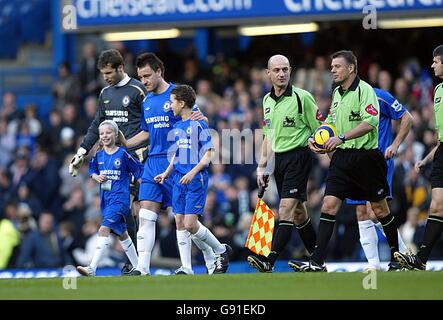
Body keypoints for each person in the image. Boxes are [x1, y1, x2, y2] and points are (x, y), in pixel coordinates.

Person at [289, 50, 400, 272]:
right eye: (332, 67)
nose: (332, 70)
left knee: (379, 209)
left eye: (337, 67)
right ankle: (317, 262)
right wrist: (318, 136)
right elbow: (331, 119)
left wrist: (340, 138)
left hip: (367, 158)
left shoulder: (365, 90)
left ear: (351, 68)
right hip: (342, 159)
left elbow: (370, 123)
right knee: (328, 205)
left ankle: (397, 257)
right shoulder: (337, 93)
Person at [119, 53, 214, 276]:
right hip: (152, 162)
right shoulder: (147, 101)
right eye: (140, 77)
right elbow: (146, 132)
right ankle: (142, 267)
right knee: (146, 214)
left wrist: (204, 121)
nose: (144, 81)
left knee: (183, 220)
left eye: (147, 75)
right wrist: (124, 142)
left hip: (176, 162)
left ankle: (211, 254)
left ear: (159, 71)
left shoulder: (178, 95)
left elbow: (201, 120)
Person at [68, 49, 147, 273]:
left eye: (109, 72)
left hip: (135, 155)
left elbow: (148, 124)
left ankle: (137, 262)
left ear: (121, 68)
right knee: (125, 213)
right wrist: (82, 151)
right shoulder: (104, 93)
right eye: (103, 73)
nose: (106, 77)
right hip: (111, 159)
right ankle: (137, 263)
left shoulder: (137, 90)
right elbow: (97, 125)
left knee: (131, 206)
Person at [247, 55, 322, 273]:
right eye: (277, 70)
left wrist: (318, 142)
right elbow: (269, 135)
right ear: (268, 73)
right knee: (299, 214)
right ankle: (319, 260)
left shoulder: (303, 97)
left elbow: (321, 127)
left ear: (290, 71)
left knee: (285, 209)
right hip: (278, 160)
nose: (281, 74)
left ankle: (268, 260)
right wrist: (263, 165)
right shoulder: (266, 101)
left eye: (285, 70)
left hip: (298, 156)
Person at [154, 84, 231, 275]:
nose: (170, 105)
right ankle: (187, 267)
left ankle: (221, 250)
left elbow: (209, 153)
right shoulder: (177, 125)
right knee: (180, 222)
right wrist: (167, 172)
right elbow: (176, 154)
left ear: (181, 103)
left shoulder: (198, 124)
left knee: (190, 224)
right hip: (178, 178)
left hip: (195, 179)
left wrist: (193, 172)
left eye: (172, 102)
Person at [347, 88, 413, 271]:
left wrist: (395, 144)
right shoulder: (342, 99)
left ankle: (405, 254)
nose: (333, 71)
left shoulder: (379, 96)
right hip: (355, 162)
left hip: (378, 161)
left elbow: (407, 117)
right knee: (361, 211)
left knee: (374, 211)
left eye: (337, 67)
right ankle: (374, 265)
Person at [394, 45, 443, 270]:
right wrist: (428, 158)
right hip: (441, 153)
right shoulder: (439, 90)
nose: (432, 65)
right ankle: (421, 260)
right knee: (436, 206)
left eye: (436, 61)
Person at [76, 120, 142, 276]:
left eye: (108, 132)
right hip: (106, 199)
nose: (105, 136)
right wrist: (95, 176)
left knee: (103, 229)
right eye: (102, 133)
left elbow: (139, 170)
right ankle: (140, 266)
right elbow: (92, 169)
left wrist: (147, 188)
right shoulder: (98, 156)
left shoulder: (123, 154)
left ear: (116, 134)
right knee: (123, 235)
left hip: (120, 199)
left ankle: (92, 267)